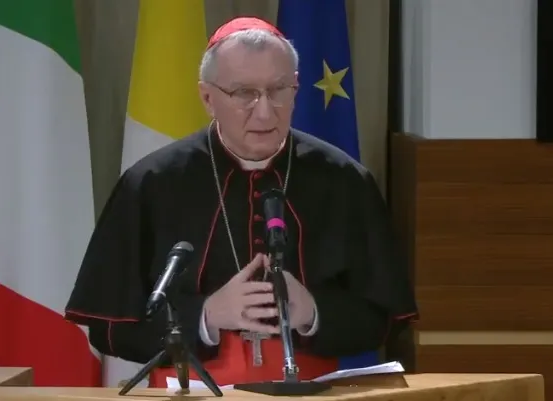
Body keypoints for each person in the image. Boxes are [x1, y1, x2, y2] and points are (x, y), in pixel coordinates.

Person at [64, 17, 418, 388]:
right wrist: (207, 316)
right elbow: (108, 328)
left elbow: (385, 320)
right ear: (208, 98)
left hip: (311, 393)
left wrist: (312, 312)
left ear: (296, 89)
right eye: (244, 93)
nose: (264, 111)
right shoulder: (153, 182)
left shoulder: (344, 180)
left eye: (278, 90)